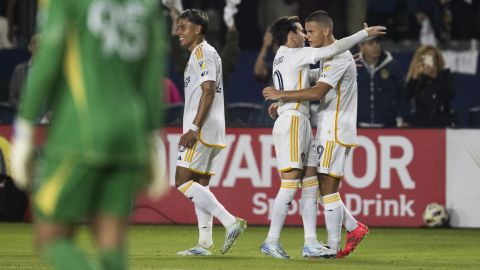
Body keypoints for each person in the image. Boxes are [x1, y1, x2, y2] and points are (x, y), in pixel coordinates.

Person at [9, 0, 168, 269]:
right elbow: (152, 75)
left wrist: (24, 127)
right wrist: (154, 139)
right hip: (130, 135)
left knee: (50, 232)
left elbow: (47, 60)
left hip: (82, 130)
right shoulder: (148, 5)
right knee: (112, 238)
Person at [260, 13, 385, 259]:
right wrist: (362, 35)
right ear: (291, 36)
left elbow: (314, 79)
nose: (306, 36)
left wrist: (282, 98)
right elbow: (319, 83)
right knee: (306, 185)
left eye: (311, 31)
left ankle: (319, 243)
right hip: (304, 122)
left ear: (325, 31)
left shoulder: (303, 56)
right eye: (302, 31)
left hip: (329, 126)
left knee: (315, 185)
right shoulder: (302, 53)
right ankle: (279, 241)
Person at [174, 9, 246, 257]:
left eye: (183, 27)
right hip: (214, 127)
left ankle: (230, 221)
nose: (178, 32)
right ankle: (204, 242)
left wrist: (193, 128)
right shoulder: (205, 52)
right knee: (200, 184)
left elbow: (208, 89)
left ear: (198, 29)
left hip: (202, 128)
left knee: (182, 181)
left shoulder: (202, 52)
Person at [357, 37, 407, 127]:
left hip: (387, 125)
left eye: (377, 42)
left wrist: (403, 117)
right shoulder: (354, 66)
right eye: (371, 43)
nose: (375, 46)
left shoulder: (392, 66)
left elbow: (403, 93)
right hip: (359, 125)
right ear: (361, 47)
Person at [405, 45, 455, 127]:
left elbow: (450, 94)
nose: (430, 61)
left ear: (437, 59)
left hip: (441, 124)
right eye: (427, 57)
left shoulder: (445, 76)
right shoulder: (417, 79)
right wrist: (418, 76)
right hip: (421, 125)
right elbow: (407, 96)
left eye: (433, 57)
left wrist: (435, 75)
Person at [9, 34, 38, 109]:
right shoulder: (19, 70)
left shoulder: (52, 71)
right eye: (35, 42)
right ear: (29, 47)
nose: (38, 45)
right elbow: (13, 97)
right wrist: (21, 107)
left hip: (46, 117)